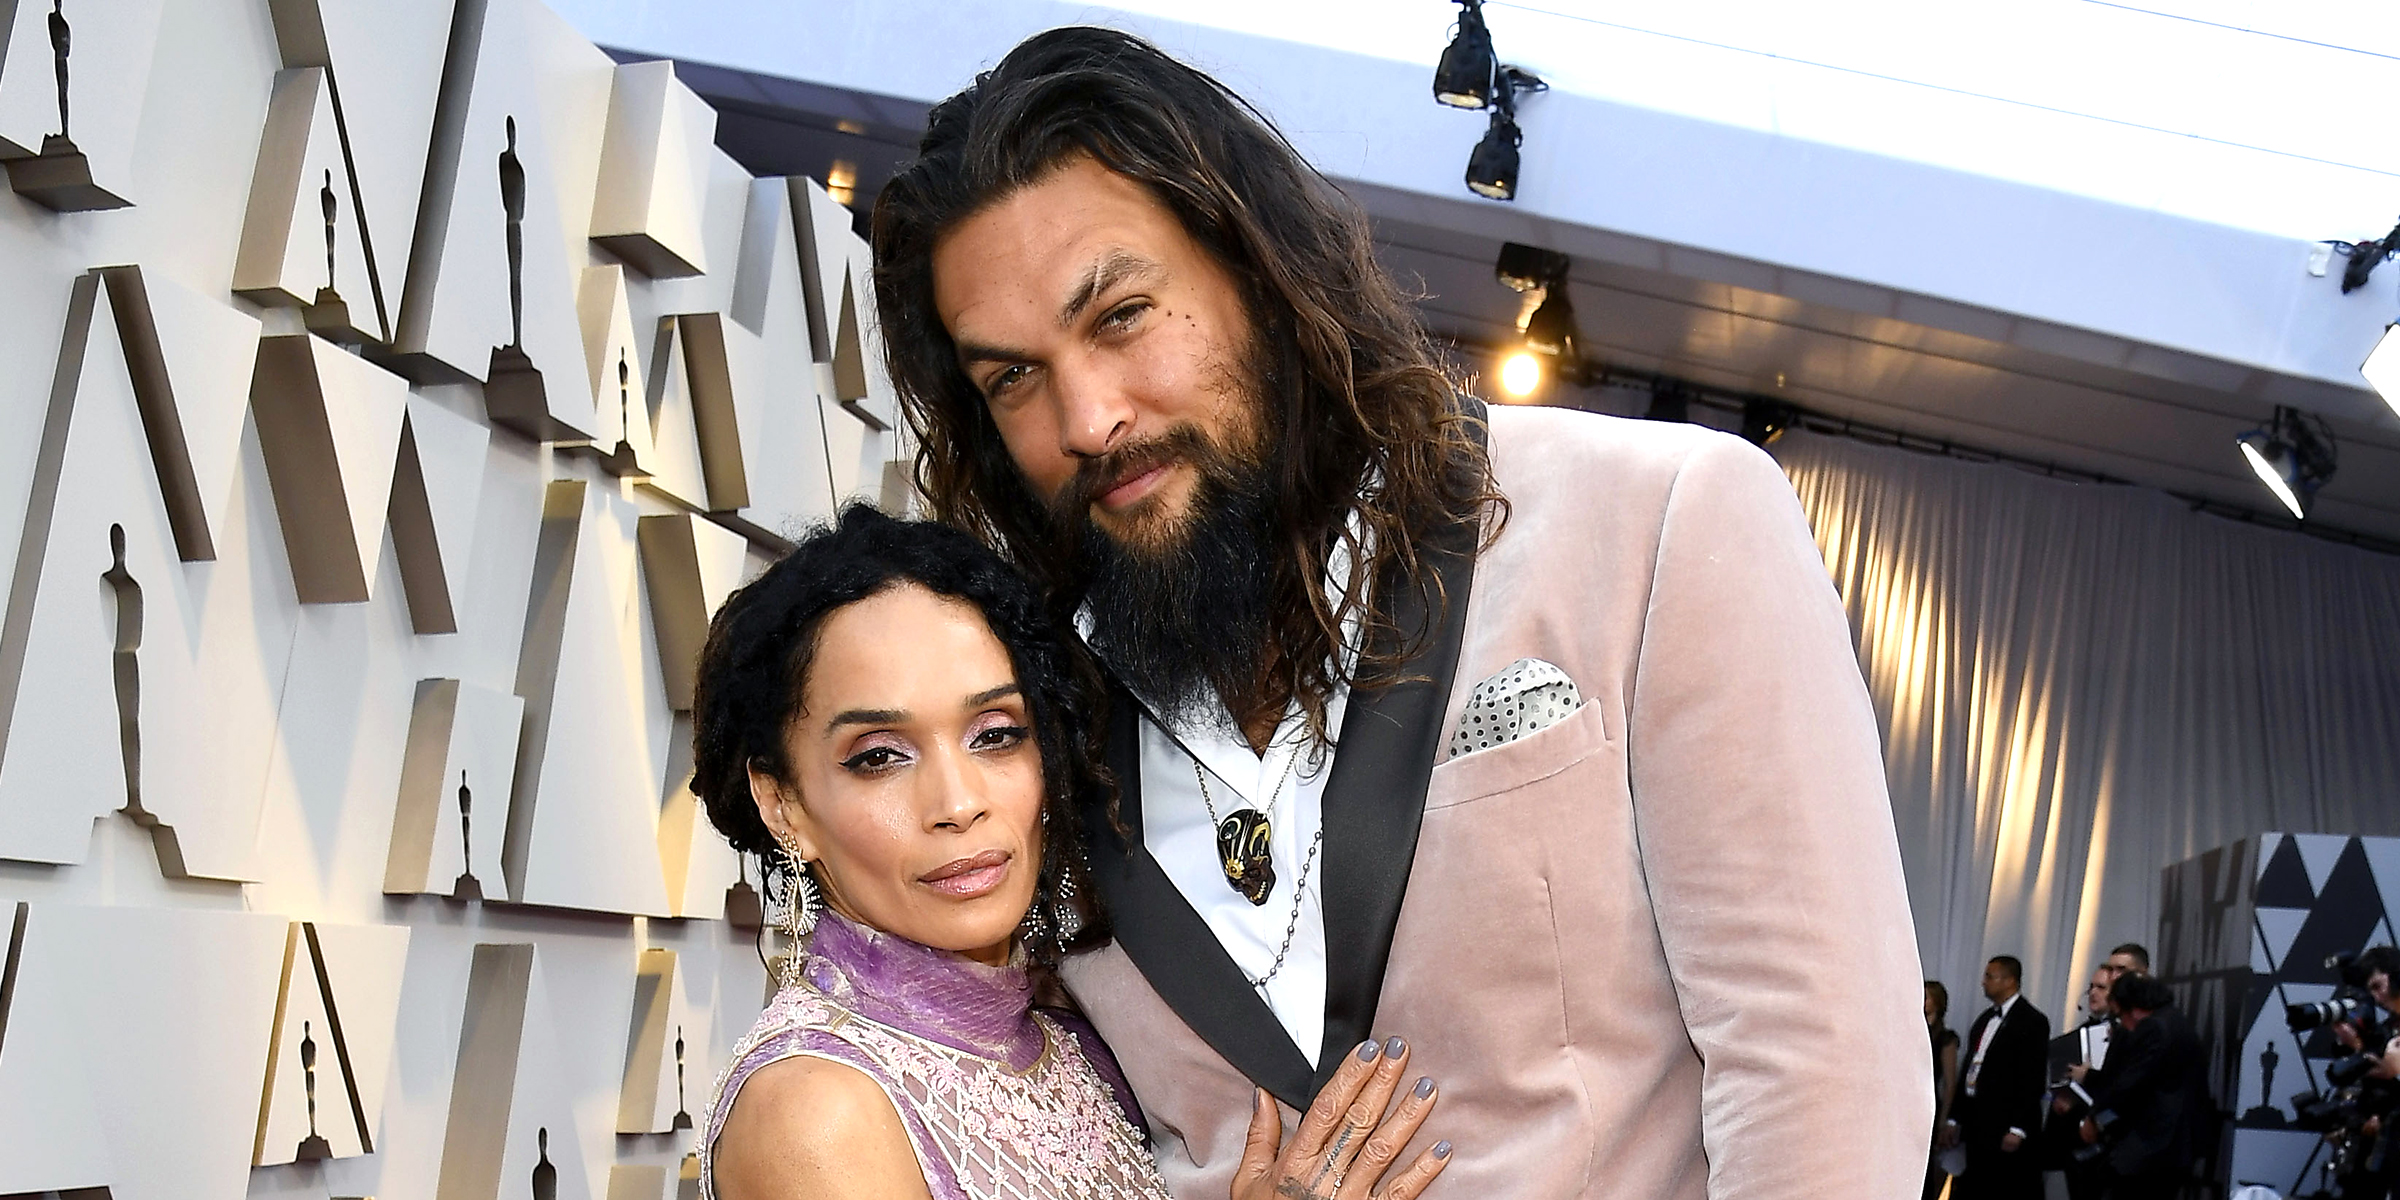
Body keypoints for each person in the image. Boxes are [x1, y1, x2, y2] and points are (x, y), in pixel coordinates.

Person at [869, 25, 1928, 1199]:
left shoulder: (1662, 520)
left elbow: (1824, 1080)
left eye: (1120, 315)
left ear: (1260, 273)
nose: (1086, 416)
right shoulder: (1038, 720)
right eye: (1013, 376)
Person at [686, 507, 1452, 1200]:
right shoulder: (816, 1111)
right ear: (782, 803)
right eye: (880, 756)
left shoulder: (1068, 1039)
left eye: (995, 735)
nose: (958, 804)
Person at [2074, 972, 2201, 1200]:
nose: (2122, 1024)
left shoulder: (2153, 1028)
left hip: (2152, 1147)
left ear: (2131, 1006)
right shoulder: (2175, 1021)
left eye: (2120, 1015)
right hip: (2174, 1144)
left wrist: (2094, 1118)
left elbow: (2130, 1083)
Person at [1946, 957, 2050, 1199]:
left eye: (1990, 976)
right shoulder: (1984, 1019)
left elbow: (2032, 1078)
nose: (1983, 982)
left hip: (2004, 1124)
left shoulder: (2032, 1020)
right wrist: (1954, 1119)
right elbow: (1969, 1070)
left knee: (2002, 1187)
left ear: (2010, 981)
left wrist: (2019, 1128)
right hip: (1977, 1122)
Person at [2048, 964, 2124, 1200]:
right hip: (2076, 1142)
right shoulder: (2071, 1040)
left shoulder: (2129, 1035)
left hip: (2114, 1140)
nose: (2093, 993)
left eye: (2101, 987)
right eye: (2091, 987)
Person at [1928, 981, 1963, 1200]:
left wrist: (1944, 1120)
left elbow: (1950, 1083)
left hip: (1930, 1103)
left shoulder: (1946, 1038)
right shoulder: (1911, 1031)